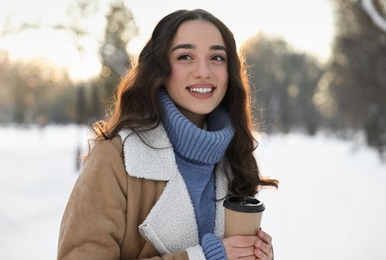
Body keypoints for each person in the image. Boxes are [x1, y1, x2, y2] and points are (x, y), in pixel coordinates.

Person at [57, 8, 278, 260]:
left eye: (217, 57)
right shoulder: (115, 156)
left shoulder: (233, 158)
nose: (203, 71)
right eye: (185, 56)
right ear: (160, 69)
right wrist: (203, 257)